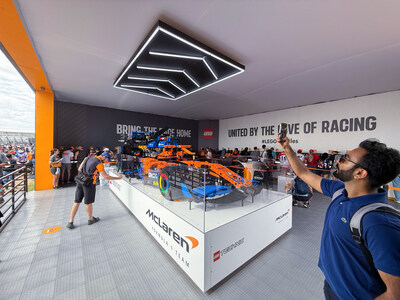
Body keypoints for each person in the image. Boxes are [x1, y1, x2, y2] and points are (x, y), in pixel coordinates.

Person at [277, 134, 400, 299]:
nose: (339, 160)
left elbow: (394, 294)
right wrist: (286, 148)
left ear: (360, 173)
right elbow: (303, 173)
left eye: (346, 158)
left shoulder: (379, 224)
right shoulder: (339, 190)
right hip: (331, 286)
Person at [66, 153, 122, 229]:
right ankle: (90, 219)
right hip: (89, 183)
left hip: (80, 181)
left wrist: (93, 173)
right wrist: (118, 178)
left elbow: (80, 169)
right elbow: (105, 177)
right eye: (106, 159)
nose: (105, 161)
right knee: (88, 203)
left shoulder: (88, 157)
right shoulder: (99, 164)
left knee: (76, 202)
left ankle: (70, 221)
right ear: (103, 157)